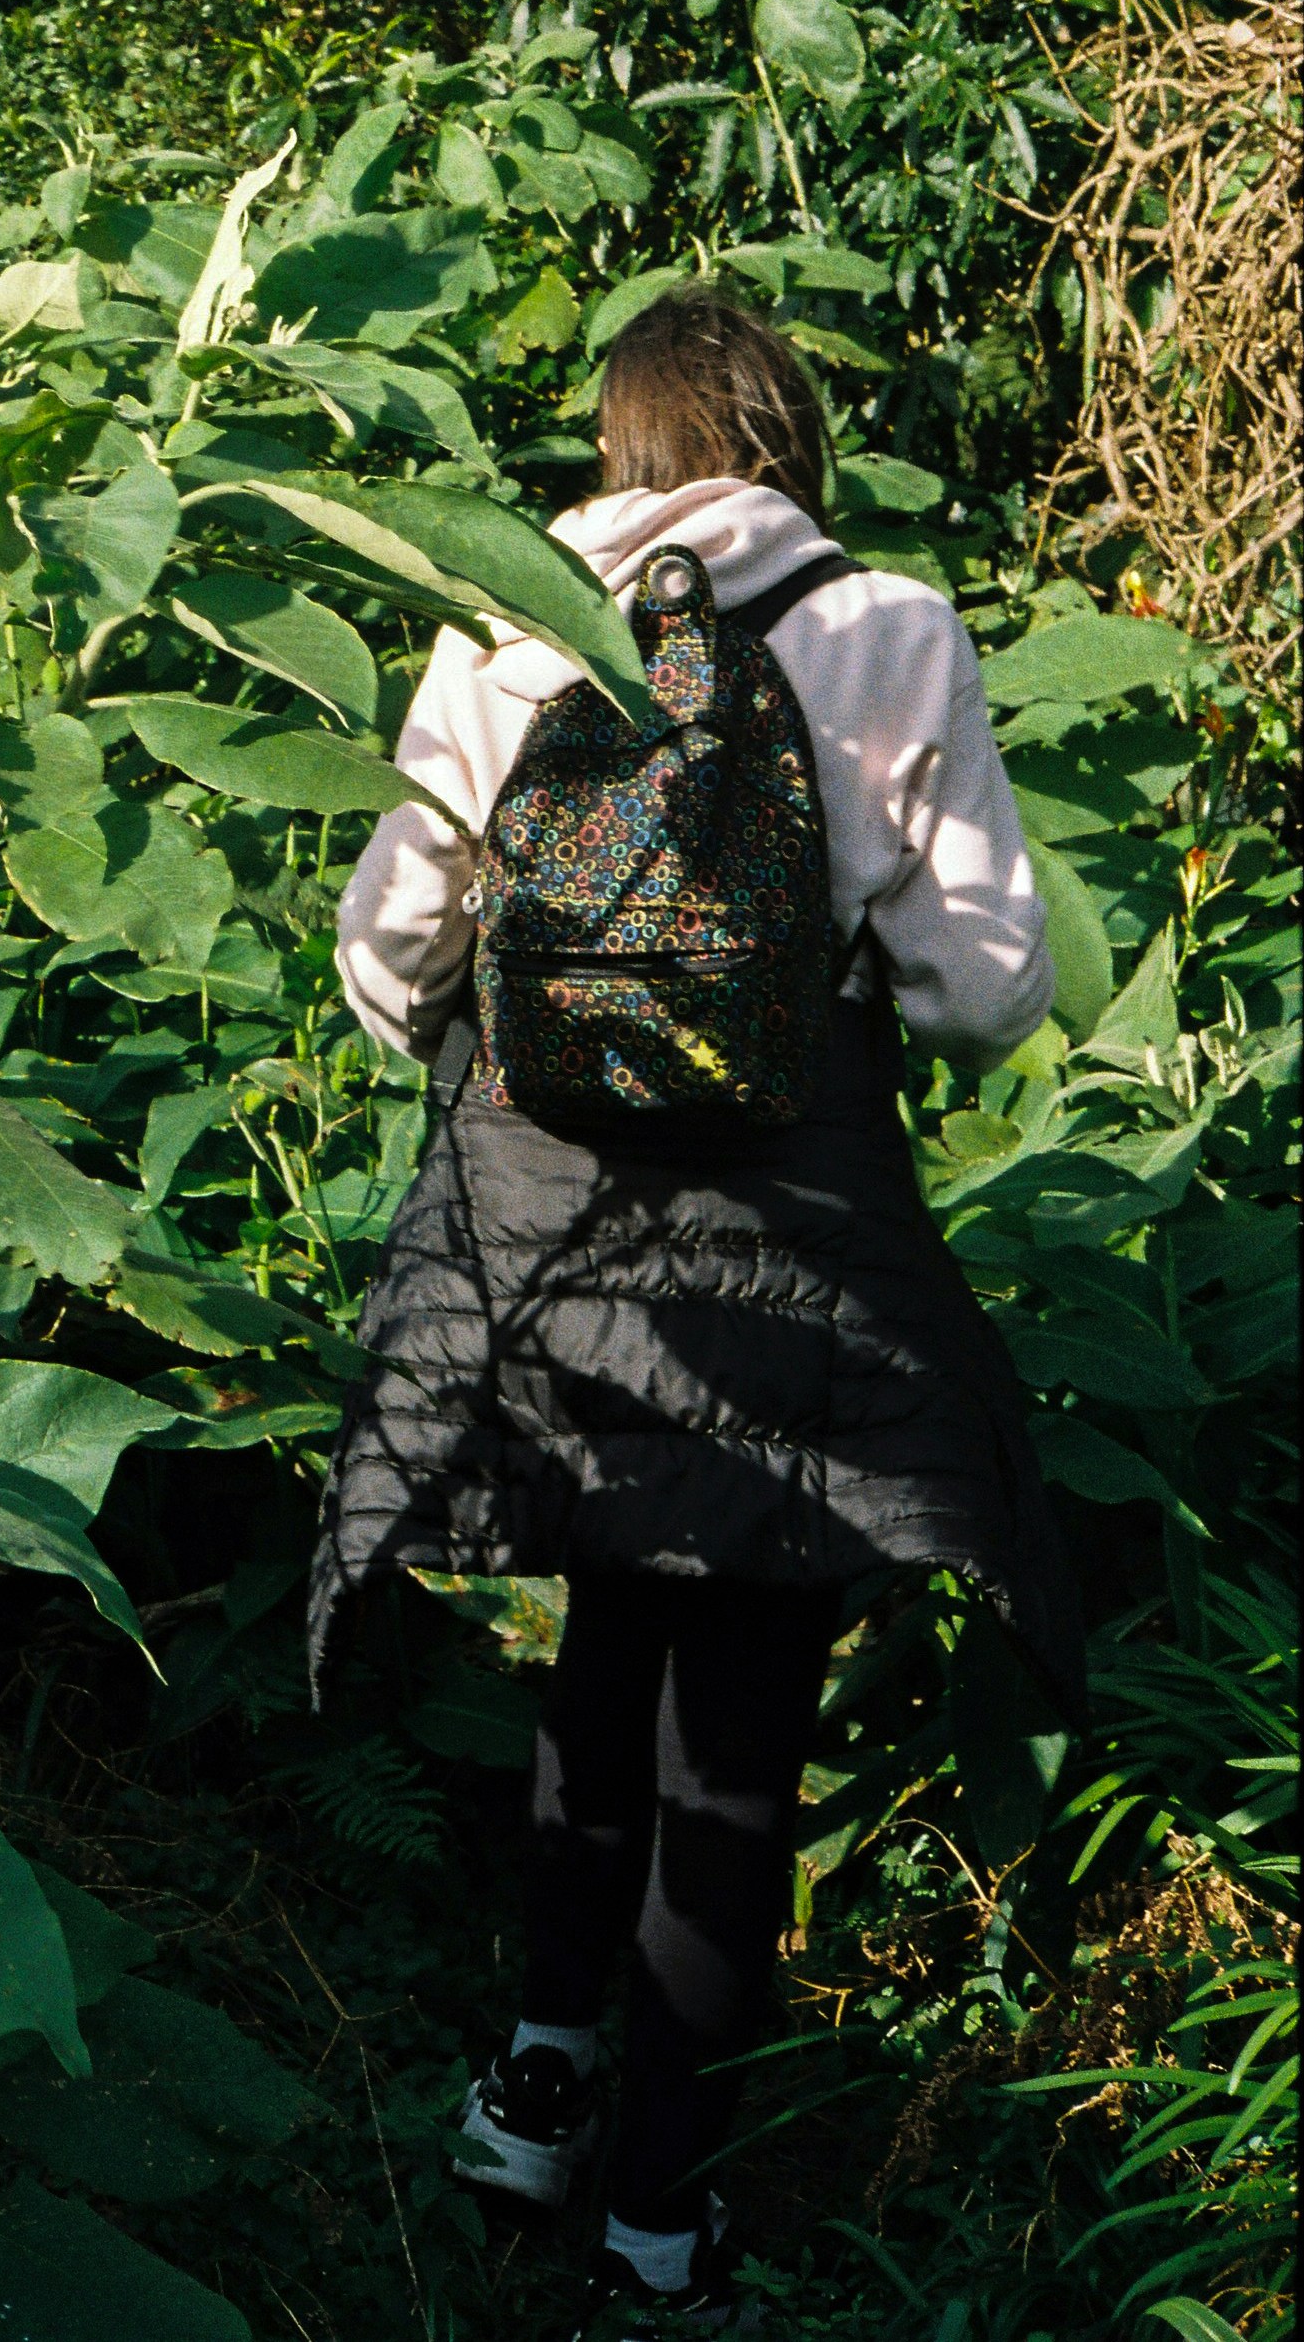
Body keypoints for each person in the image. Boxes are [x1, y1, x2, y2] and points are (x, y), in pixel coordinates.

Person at [311, 282, 1084, 2339]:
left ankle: (526, 2089)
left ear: (618, 435)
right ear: (788, 436)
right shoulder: (884, 623)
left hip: (543, 1219)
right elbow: (980, 982)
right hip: (785, 1228)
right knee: (737, 1722)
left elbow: (387, 951)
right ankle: (661, 2224)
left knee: (600, 1642)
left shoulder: (503, 608)